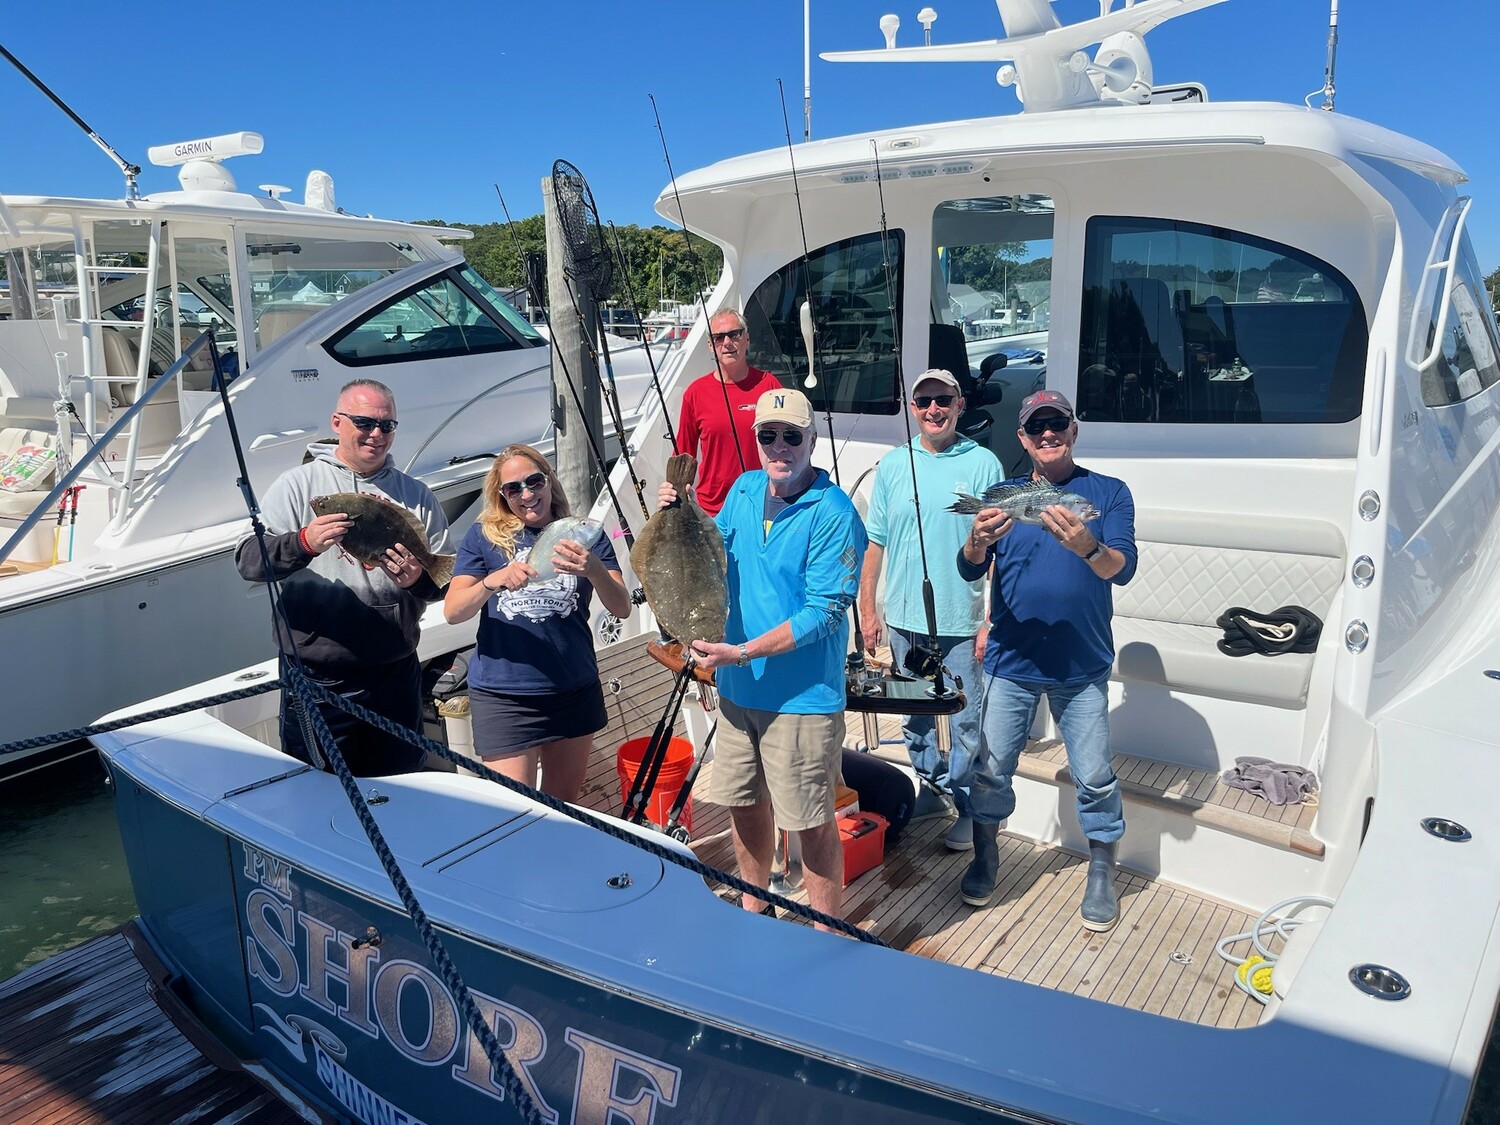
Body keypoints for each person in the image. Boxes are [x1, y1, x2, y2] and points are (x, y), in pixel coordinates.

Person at [660, 388, 865, 928]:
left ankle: (829, 935)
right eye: (767, 435)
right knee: (744, 806)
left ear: (811, 441)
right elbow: (713, 551)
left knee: (810, 821)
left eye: (791, 436)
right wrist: (679, 514)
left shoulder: (834, 512)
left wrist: (742, 650)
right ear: (756, 442)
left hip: (802, 700)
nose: (779, 446)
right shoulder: (745, 489)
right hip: (737, 691)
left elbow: (824, 612)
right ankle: (755, 910)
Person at [956, 389, 1138, 931]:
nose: (1048, 434)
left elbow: (1119, 570)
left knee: (1095, 775)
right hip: (1011, 661)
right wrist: (974, 540)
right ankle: (986, 856)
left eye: (1057, 424)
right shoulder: (1004, 493)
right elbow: (971, 569)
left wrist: (1087, 545)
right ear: (1022, 439)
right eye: (1037, 428)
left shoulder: (1108, 493)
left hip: (1081, 665)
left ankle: (1102, 872)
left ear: (1074, 430)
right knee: (990, 769)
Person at [236, 379, 450, 776]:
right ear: (337, 422)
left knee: (404, 783)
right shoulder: (297, 486)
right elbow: (249, 562)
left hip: (395, 673)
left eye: (387, 426)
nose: (376, 434)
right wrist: (304, 542)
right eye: (364, 422)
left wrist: (417, 580)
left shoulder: (417, 495)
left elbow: (443, 583)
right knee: (320, 786)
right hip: (317, 677)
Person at [858, 369, 1000, 853]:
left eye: (943, 400)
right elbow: (875, 542)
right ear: (912, 407)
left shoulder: (984, 463)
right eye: (923, 401)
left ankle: (969, 806)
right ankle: (932, 789)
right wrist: (868, 609)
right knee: (913, 716)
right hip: (902, 620)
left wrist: (990, 619)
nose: (933, 409)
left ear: (960, 405)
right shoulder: (895, 464)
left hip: (961, 620)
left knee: (965, 719)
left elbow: (1001, 552)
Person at [443, 445, 631, 801]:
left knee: (563, 810)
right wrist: (491, 581)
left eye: (534, 481)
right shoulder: (483, 536)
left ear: (549, 481)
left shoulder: (582, 535)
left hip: (572, 689)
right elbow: (454, 612)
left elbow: (621, 607)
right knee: (515, 812)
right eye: (513, 489)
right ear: (501, 496)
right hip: (505, 696)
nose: (527, 495)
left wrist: (593, 568)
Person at [674, 308, 782, 516]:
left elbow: (788, 446)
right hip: (712, 509)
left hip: (761, 503)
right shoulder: (695, 393)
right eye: (718, 337)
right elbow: (683, 456)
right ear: (710, 346)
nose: (727, 342)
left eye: (734, 334)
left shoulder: (770, 385)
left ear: (746, 338)